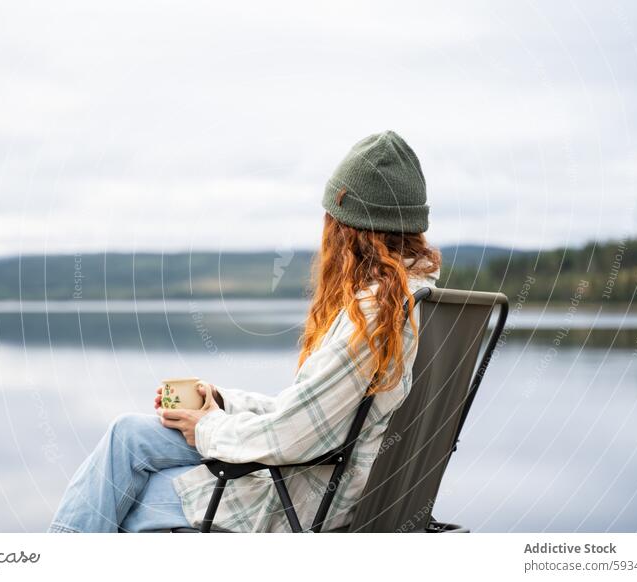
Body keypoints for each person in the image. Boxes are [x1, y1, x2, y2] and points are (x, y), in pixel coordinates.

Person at [48, 130, 442, 533]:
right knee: (127, 435)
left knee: (127, 496)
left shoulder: (375, 314)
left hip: (303, 496)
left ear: (349, 228)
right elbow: (315, 414)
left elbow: (292, 434)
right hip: (323, 470)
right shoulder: (424, 299)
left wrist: (206, 427)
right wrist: (222, 402)